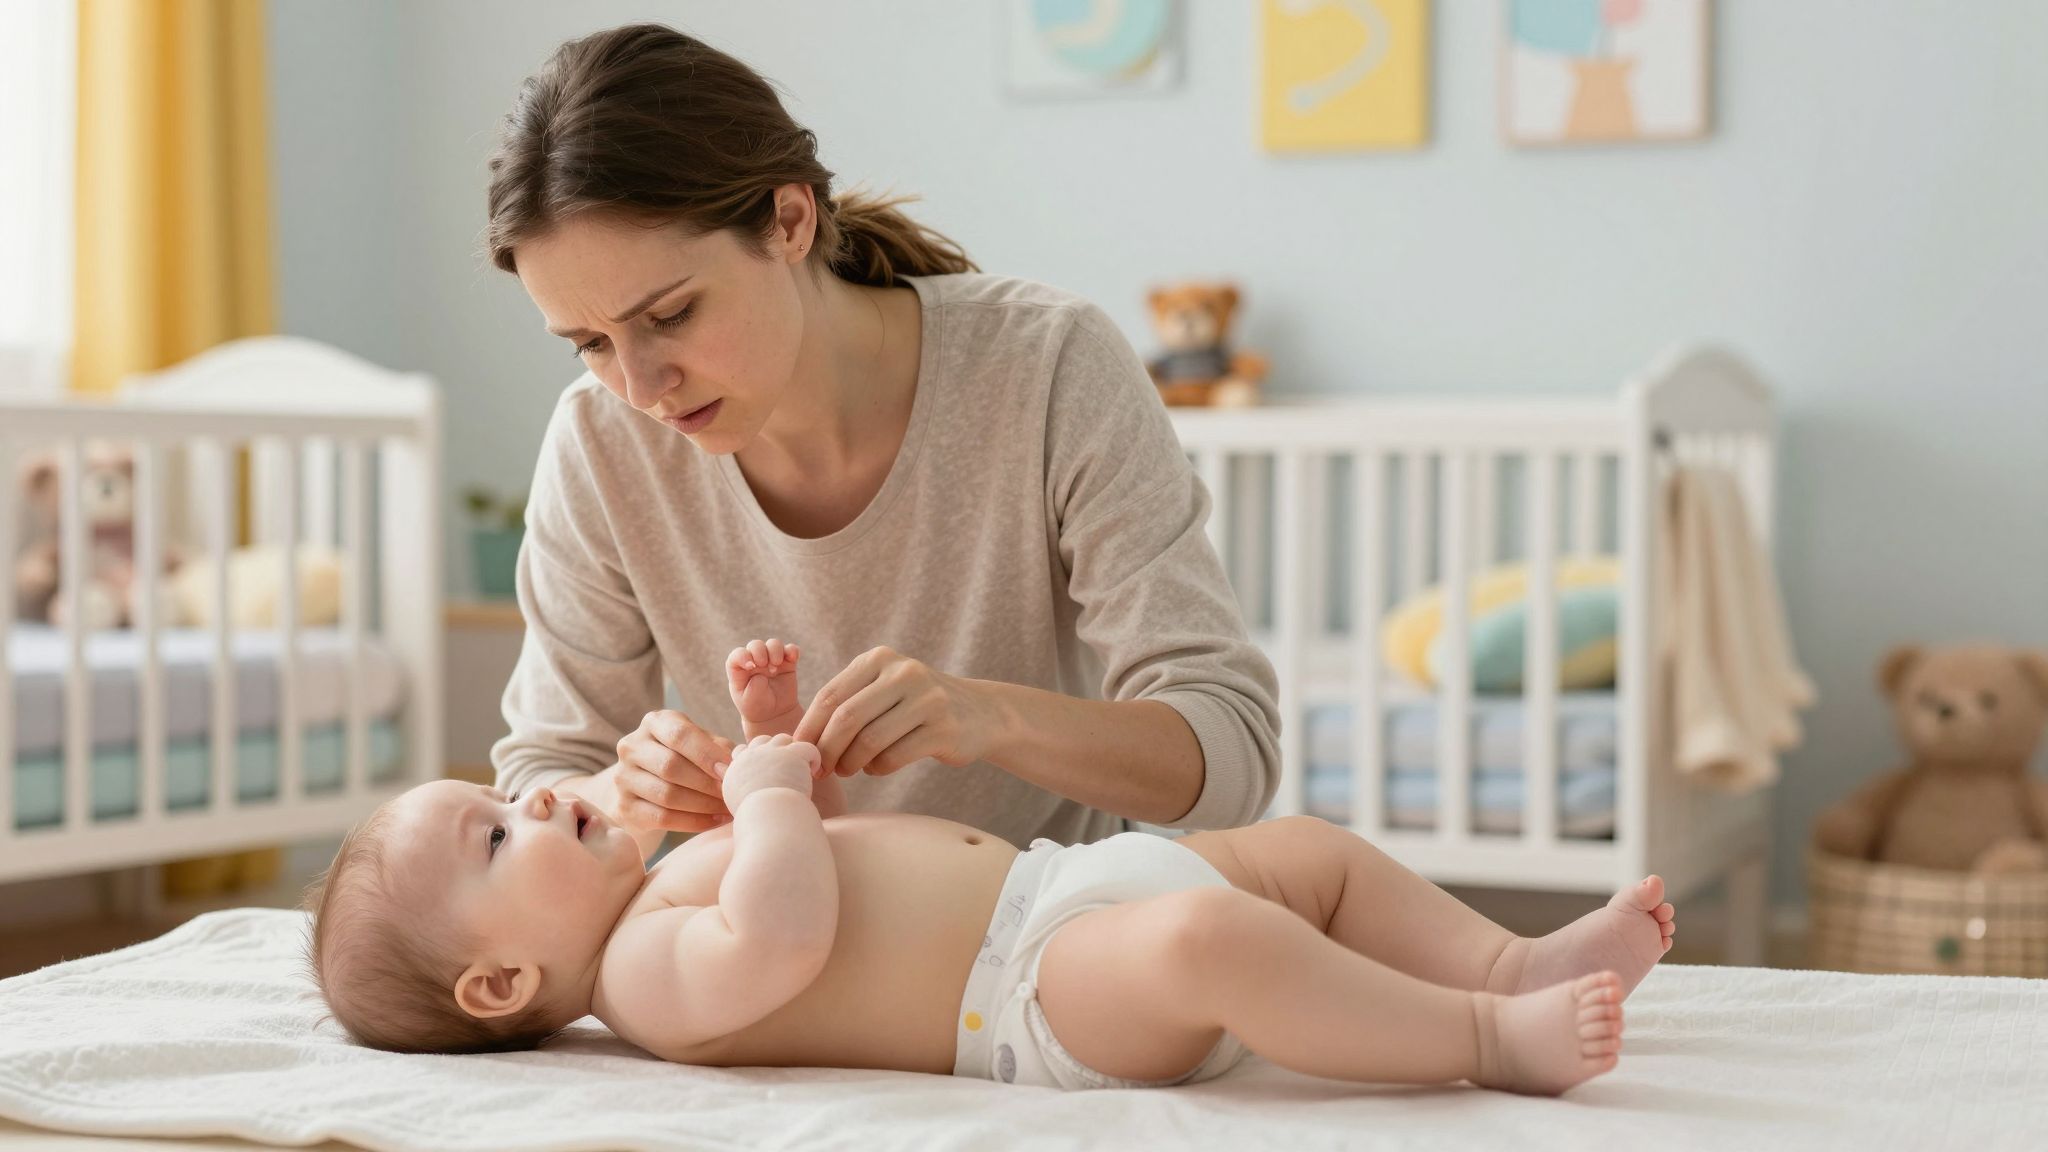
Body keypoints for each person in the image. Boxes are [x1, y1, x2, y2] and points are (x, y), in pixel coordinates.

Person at [482, 22, 1281, 853]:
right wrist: (620, 791)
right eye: (591, 343)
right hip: (771, 944)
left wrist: (991, 716)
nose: (640, 388)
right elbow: (544, 772)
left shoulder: (1048, 365)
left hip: (1040, 926)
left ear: (789, 221)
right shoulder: (599, 442)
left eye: (672, 314)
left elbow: (1231, 755)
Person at [308, 640, 1677, 1096]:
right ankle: (1491, 1035)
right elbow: (781, 940)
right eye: (496, 835)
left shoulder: (670, 877)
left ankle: (1512, 955)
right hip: (1040, 996)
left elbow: (824, 859)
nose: (534, 793)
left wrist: (786, 755)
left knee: (1307, 858)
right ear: (502, 981)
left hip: (1068, 884)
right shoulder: (646, 979)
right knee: (1214, 951)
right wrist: (770, 803)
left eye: (502, 793)